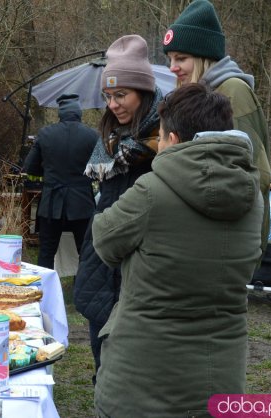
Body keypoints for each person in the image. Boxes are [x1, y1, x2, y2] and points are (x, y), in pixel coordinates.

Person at [92, 83, 263, 416]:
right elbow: (250, 262)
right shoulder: (252, 196)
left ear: (172, 139)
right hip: (220, 384)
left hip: (141, 386)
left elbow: (103, 239)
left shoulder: (152, 191)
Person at [73, 34, 162, 383]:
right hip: (103, 257)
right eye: (108, 96)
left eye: (121, 95)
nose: (113, 104)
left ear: (145, 94)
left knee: (130, 365)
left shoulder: (165, 143)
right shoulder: (109, 142)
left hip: (140, 261)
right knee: (101, 354)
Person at [163, 0, 271, 257]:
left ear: (204, 57)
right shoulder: (200, 96)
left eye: (181, 58)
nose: (172, 67)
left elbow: (258, 174)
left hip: (232, 237)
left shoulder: (233, 91)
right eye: (170, 58)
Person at [22, 93, 98, 269]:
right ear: (79, 114)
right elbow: (100, 169)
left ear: (60, 114)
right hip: (82, 203)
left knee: (46, 252)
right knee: (85, 253)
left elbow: (30, 168)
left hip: (51, 203)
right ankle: (82, 294)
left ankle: (45, 293)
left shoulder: (45, 134)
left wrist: (49, 173)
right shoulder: (92, 135)